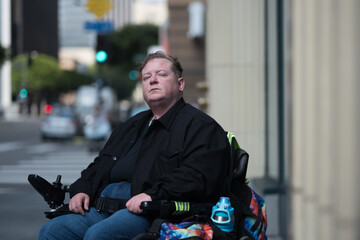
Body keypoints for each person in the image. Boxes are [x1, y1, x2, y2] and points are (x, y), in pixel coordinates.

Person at [39, 51, 230, 240]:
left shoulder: (201, 126)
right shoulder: (131, 125)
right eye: (147, 77)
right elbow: (99, 164)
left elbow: (199, 175)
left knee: (98, 236)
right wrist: (82, 189)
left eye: (161, 75)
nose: (152, 80)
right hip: (100, 207)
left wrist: (153, 194)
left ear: (180, 84)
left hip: (152, 212)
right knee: (53, 231)